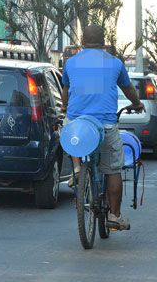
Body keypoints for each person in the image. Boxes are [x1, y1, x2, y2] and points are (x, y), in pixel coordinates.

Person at [61, 24, 144, 231]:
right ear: (103, 41)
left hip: (78, 123)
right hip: (105, 124)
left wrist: (64, 107)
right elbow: (128, 89)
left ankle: (78, 168)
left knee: (69, 128)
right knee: (113, 169)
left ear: (82, 41)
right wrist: (137, 103)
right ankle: (115, 216)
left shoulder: (71, 63)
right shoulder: (114, 63)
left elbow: (66, 89)